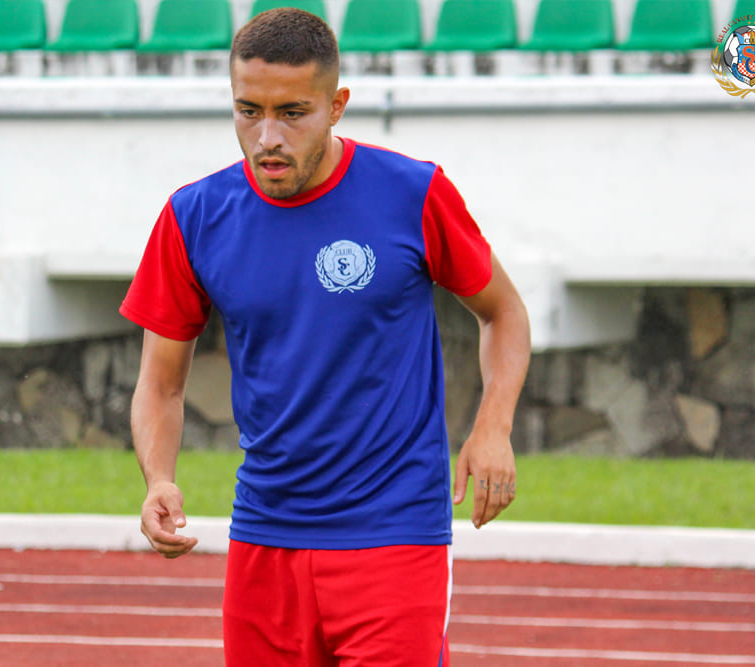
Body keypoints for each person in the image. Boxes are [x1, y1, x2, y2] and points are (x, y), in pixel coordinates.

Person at [119, 8, 531, 666]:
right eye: (249, 111)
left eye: (292, 113)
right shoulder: (194, 216)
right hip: (264, 535)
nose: (267, 137)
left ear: (336, 106)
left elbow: (504, 312)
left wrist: (493, 426)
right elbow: (161, 385)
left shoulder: (412, 193)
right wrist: (158, 479)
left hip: (395, 534)